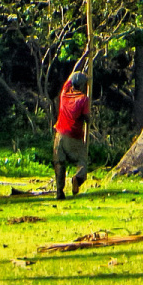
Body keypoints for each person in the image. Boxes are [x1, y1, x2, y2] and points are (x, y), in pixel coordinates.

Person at [53, 66, 90, 200]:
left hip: (59, 134)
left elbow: (69, 79)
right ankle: (77, 178)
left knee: (59, 163)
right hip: (73, 136)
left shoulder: (64, 93)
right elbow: (86, 118)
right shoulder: (83, 99)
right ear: (82, 85)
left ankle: (59, 192)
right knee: (82, 160)